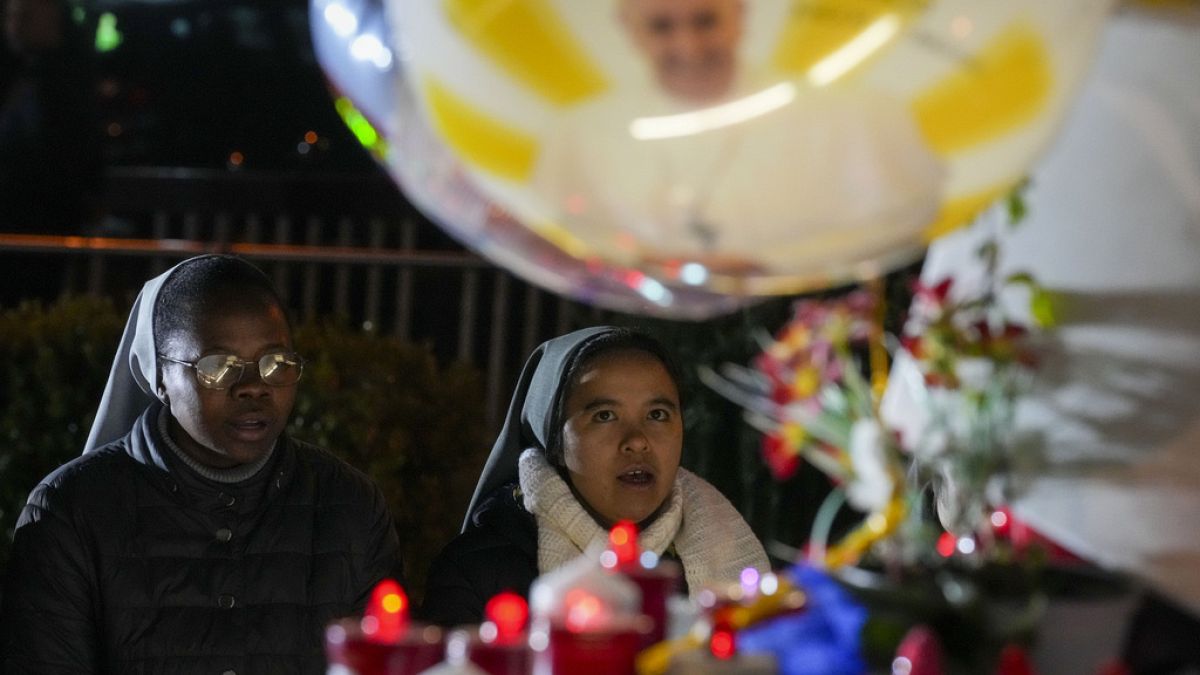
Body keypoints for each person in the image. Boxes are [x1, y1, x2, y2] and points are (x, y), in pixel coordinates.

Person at [0, 255, 403, 673]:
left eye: (275, 363)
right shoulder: (71, 513)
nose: (253, 387)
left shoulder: (350, 506)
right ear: (159, 376)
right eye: (218, 366)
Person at [532, 0, 944, 275]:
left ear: (739, 13)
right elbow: (557, 232)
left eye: (705, 20)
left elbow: (906, 218)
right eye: (661, 26)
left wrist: (767, 263)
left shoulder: (847, 112)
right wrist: (637, 262)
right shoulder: (580, 131)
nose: (688, 46)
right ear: (629, 27)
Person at [421, 326, 768, 626]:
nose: (636, 441)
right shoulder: (477, 573)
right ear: (554, 440)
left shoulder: (723, 557)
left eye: (658, 414)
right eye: (604, 416)